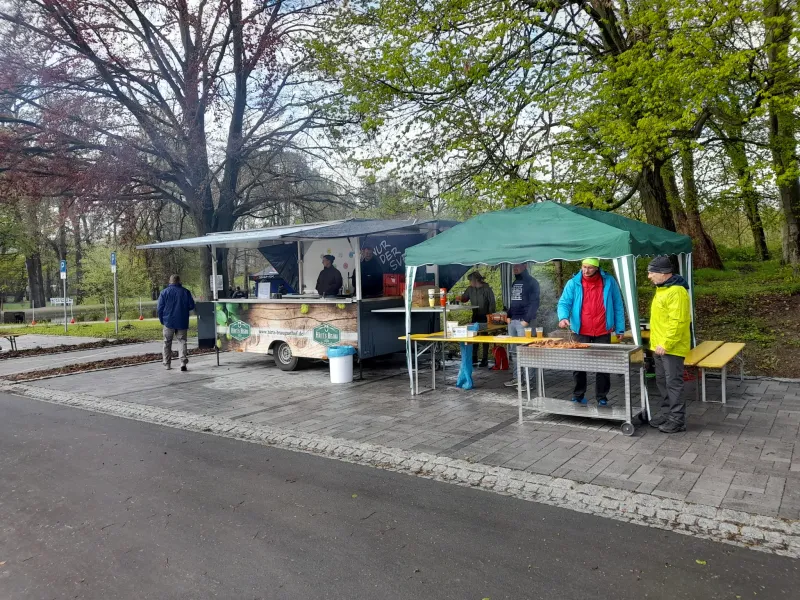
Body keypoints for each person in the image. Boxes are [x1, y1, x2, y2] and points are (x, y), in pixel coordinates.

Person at [557, 258, 626, 405]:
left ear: (597, 268)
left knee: (602, 365)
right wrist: (563, 317)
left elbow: (618, 304)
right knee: (579, 364)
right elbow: (564, 302)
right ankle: (578, 395)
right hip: (581, 330)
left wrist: (620, 327)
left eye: (589, 268)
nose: (585, 271)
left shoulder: (609, 281)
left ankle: (602, 397)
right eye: (583, 267)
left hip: (603, 330)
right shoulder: (573, 283)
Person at [646, 255, 692, 433]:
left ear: (663, 273)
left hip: (670, 347)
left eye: (651, 273)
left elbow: (678, 321)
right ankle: (667, 414)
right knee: (662, 381)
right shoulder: (663, 289)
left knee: (673, 383)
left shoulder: (677, 292)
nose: (649, 276)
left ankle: (677, 420)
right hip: (659, 346)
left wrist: (666, 343)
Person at [505, 263, 540, 387]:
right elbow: (514, 301)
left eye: (518, 265)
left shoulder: (532, 282)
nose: (515, 267)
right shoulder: (515, 283)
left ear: (525, 266)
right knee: (514, 352)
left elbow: (535, 303)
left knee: (527, 351)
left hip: (525, 322)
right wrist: (508, 315)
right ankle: (517, 378)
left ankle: (529, 381)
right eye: (513, 265)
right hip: (513, 321)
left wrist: (526, 319)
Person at [157, 274, 195, 372]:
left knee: (167, 342)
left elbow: (159, 308)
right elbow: (191, 306)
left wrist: (162, 320)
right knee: (182, 341)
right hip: (182, 320)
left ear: (170, 282)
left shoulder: (164, 293)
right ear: (179, 281)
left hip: (168, 321)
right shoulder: (185, 292)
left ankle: (167, 364)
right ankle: (183, 362)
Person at [460, 272, 496, 367]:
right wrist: (459, 298)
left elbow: (492, 303)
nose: (469, 282)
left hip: (485, 316)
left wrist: (490, 316)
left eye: (470, 280)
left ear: (475, 280)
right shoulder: (470, 289)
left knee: (484, 337)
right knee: (473, 335)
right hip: (475, 315)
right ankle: (474, 356)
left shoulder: (487, 289)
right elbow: (465, 298)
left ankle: (485, 359)